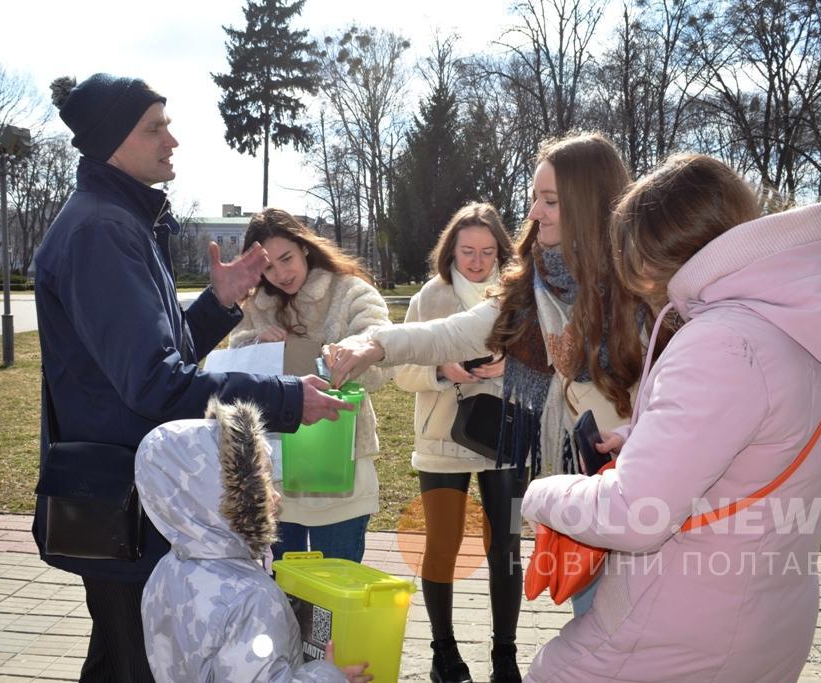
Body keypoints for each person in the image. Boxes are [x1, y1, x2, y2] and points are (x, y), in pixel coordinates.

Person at [34, 73, 349, 682]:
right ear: (111, 143)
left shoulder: (118, 221)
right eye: (155, 127)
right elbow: (154, 384)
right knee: (131, 664)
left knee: (119, 659)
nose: (171, 140)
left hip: (130, 496)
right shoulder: (103, 231)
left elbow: (143, 356)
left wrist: (217, 304)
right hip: (127, 502)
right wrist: (285, 400)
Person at [519, 154, 821, 682]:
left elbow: (632, 514)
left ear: (653, 253)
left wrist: (543, 495)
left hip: (675, 628)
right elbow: (769, 431)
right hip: (772, 616)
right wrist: (644, 437)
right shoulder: (818, 324)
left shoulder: (721, 341)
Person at [324, 133, 651, 681]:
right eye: (535, 198)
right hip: (586, 484)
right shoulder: (530, 290)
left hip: (650, 480)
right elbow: (450, 333)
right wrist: (376, 343)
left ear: (588, 202)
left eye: (549, 200)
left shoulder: (643, 286)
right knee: (598, 623)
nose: (534, 212)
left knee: (643, 635)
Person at [136, 397, 372, 682]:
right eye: (262, 485)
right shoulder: (252, 597)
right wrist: (328, 675)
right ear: (232, 499)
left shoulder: (166, 570)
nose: (276, 496)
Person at [391, 202, 517, 683]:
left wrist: (512, 366)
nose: (478, 261)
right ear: (451, 250)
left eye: (487, 251)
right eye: (467, 251)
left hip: (507, 440)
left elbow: (553, 362)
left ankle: (504, 656)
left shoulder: (518, 295)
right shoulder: (430, 297)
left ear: (501, 251)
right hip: (442, 441)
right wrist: (441, 370)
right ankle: (444, 654)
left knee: (506, 547)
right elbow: (400, 369)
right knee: (442, 545)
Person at [228, 208, 392, 564]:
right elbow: (233, 367)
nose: (281, 274)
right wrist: (257, 344)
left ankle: (322, 625)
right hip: (276, 476)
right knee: (281, 597)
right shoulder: (255, 306)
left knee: (330, 603)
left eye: (286, 258)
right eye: (268, 267)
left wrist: (348, 353)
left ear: (304, 247)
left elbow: (382, 345)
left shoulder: (350, 291)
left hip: (339, 466)